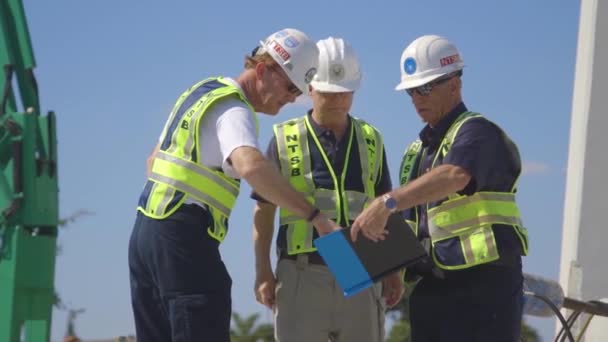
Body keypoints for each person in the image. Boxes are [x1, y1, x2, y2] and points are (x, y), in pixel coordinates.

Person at [129, 28, 341, 342]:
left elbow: (152, 161)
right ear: (261, 70)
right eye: (288, 87)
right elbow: (251, 165)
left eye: (297, 93)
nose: (290, 98)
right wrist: (316, 217)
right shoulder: (235, 110)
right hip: (183, 239)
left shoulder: (201, 93)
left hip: (145, 236)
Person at [350, 35, 529, 341]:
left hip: (484, 284)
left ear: (454, 85)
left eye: (426, 88)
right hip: (433, 284)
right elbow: (411, 222)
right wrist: (393, 273)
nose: (417, 98)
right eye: (411, 91)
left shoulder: (478, 131)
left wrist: (386, 202)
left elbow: (454, 175)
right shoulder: (415, 152)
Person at [252, 37, 404, 342]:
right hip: (300, 272)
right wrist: (262, 271)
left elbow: (385, 206)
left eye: (344, 92)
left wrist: (393, 271)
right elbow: (263, 211)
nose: (337, 100)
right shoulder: (284, 138)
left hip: (359, 268)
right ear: (309, 87)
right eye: (328, 92)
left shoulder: (371, 139)